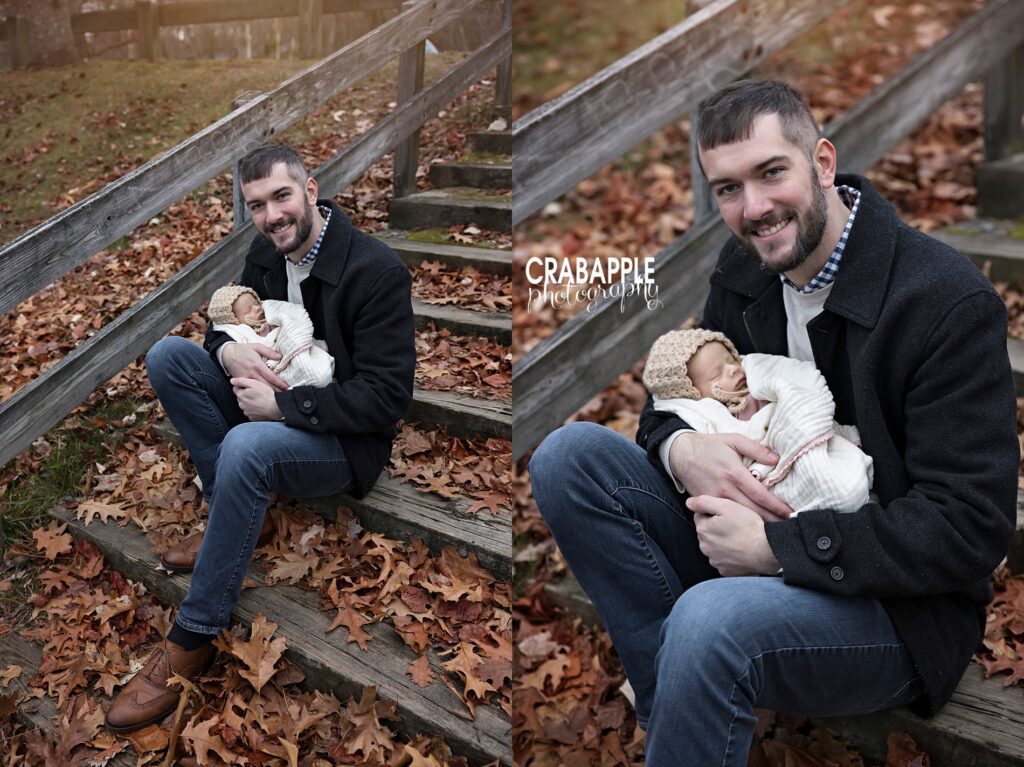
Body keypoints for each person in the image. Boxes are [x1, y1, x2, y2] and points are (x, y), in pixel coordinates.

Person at [530, 79, 1017, 765]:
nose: (753, 208)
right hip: (750, 547)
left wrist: (778, 548)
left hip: (898, 609)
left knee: (706, 622)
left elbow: (970, 526)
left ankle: (692, 686)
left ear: (821, 163)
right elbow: (674, 397)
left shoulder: (943, 303)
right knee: (566, 456)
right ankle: (684, 697)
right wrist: (682, 448)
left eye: (770, 173)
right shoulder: (746, 269)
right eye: (727, 188)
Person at [105, 144, 415, 732]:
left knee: (246, 447)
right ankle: (236, 510)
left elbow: (386, 396)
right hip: (271, 403)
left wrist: (283, 407)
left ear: (311, 190)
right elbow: (223, 325)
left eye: (282, 196)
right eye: (257, 205)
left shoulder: (375, 271)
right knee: (170, 356)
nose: (272, 216)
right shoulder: (264, 254)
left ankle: (191, 637)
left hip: (344, 443)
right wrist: (228, 348)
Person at [642, 327, 873, 515]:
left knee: (842, 483)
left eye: (731, 359)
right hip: (762, 479)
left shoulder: (757, 385)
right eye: (716, 374)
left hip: (801, 441)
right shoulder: (709, 414)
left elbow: (794, 394)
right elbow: (659, 411)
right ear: (692, 394)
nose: (733, 369)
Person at [206, 284, 335, 389]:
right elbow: (217, 329)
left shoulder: (270, 316)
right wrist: (227, 350)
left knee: (316, 373)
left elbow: (290, 319)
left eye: (256, 303)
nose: (257, 309)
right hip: (269, 373)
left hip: (295, 350)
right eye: (248, 311)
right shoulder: (242, 332)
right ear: (234, 322)